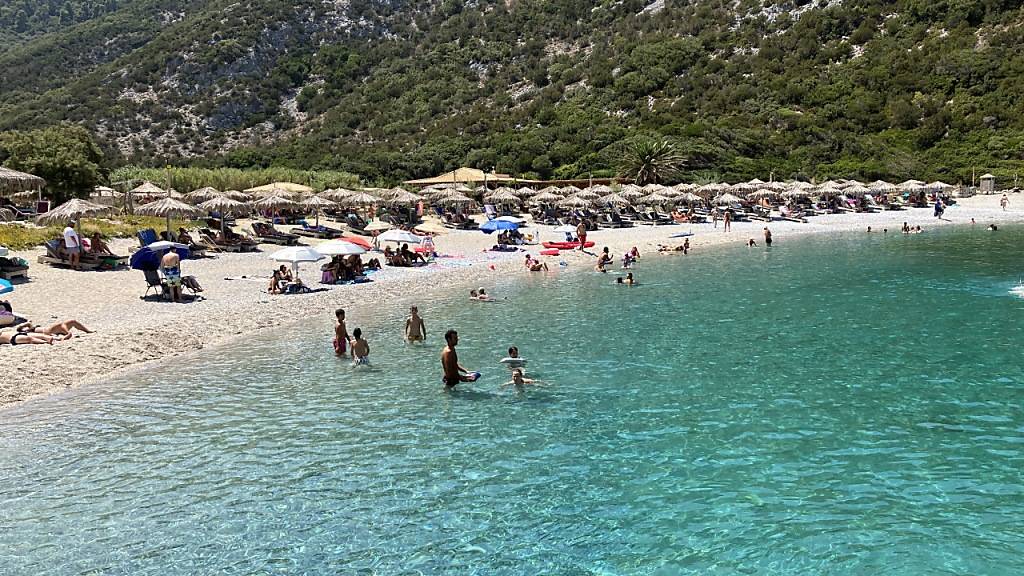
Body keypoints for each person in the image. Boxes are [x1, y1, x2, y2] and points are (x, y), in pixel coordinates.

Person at [16, 319, 93, 340]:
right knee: (30, 328)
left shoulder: (63, 325)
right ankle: (23, 326)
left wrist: (87, 331)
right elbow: (69, 334)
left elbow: (77, 325)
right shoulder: (63, 326)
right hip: (44, 332)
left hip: (43, 329)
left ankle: (24, 325)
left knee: (30, 327)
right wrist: (63, 338)